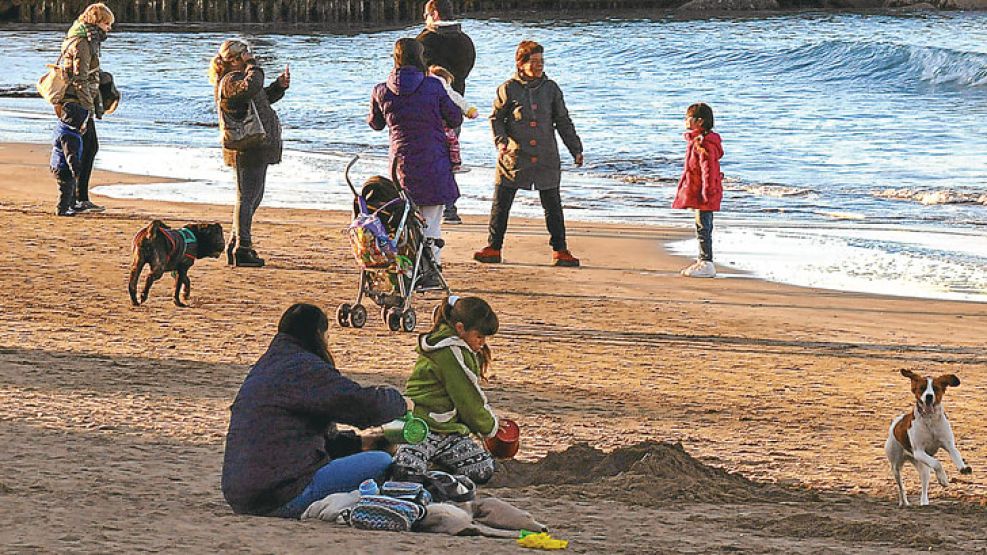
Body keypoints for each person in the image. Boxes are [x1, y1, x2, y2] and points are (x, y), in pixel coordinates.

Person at [222, 303, 410, 519]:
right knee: (380, 462)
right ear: (319, 335)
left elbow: (301, 439)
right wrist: (401, 402)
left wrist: (360, 443)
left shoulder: (269, 365)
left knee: (369, 457)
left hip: (243, 495)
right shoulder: (302, 367)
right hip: (280, 494)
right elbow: (362, 405)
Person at [474, 40, 584, 268]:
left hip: (546, 155)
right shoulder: (508, 88)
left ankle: (560, 251)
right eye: (533, 62)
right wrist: (501, 141)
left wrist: (576, 149)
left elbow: (563, 121)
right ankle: (493, 248)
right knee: (501, 203)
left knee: (552, 204)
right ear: (521, 63)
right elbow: (496, 119)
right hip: (513, 157)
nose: (538, 66)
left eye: (541, 61)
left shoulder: (551, 88)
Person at [368, 38, 462, 272]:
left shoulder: (382, 90)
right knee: (431, 221)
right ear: (420, 58)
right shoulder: (433, 86)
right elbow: (455, 117)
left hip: (400, 163)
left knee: (404, 219)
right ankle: (431, 269)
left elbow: (375, 124)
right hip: (433, 160)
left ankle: (407, 268)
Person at [392, 296, 500, 484]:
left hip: (448, 432)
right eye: (479, 336)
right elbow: (468, 400)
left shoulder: (459, 348)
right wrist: (491, 428)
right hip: (420, 426)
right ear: (460, 328)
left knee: (483, 469)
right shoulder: (450, 352)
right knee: (406, 470)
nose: (482, 342)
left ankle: (435, 468)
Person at [209, 39, 290, 268]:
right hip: (247, 146)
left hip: (255, 146)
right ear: (234, 59)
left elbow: (259, 98)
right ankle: (242, 247)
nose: (249, 57)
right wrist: (253, 65)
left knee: (252, 197)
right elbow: (251, 87)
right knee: (246, 197)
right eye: (245, 55)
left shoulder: (238, 81)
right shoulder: (229, 81)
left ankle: (237, 243)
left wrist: (278, 86)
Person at [416, 0, 475, 224]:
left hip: (427, 108)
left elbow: (416, 71)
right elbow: (464, 71)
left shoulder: (424, 40)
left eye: (426, 14)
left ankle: (429, 205)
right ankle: (449, 208)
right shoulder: (465, 41)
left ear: (435, 14)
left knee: (424, 156)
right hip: (454, 106)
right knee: (449, 156)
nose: (424, 18)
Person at [57, 2, 114, 214]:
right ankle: (78, 198)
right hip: (77, 103)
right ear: (96, 22)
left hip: (76, 102)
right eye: (107, 23)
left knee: (83, 149)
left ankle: (77, 198)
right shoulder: (82, 42)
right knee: (85, 149)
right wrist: (88, 109)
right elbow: (80, 78)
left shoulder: (81, 38)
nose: (109, 28)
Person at [672, 102, 724, 278]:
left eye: (689, 118)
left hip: (705, 192)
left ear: (699, 121)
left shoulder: (704, 142)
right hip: (699, 190)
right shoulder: (696, 140)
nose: (686, 121)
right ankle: (703, 260)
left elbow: (708, 168)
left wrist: (708, 190)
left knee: (703, 226)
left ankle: (706, 262)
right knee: (701, 225)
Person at [429, 65, 478, 173]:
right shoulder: (441, 85)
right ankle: (455, 164)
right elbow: (456, 98)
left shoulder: (426, 82)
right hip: (442, 122)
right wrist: (468, 110)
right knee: (453, 141)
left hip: (428, 122)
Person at [50, 103, 89, 217]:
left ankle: (71, 205)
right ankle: (62, 209)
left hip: (57, 163)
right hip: (63, 167)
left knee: (70, 187)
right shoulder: (69, 137)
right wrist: (75, 169)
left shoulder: (63, 128)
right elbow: (70, 155)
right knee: (66, 189)